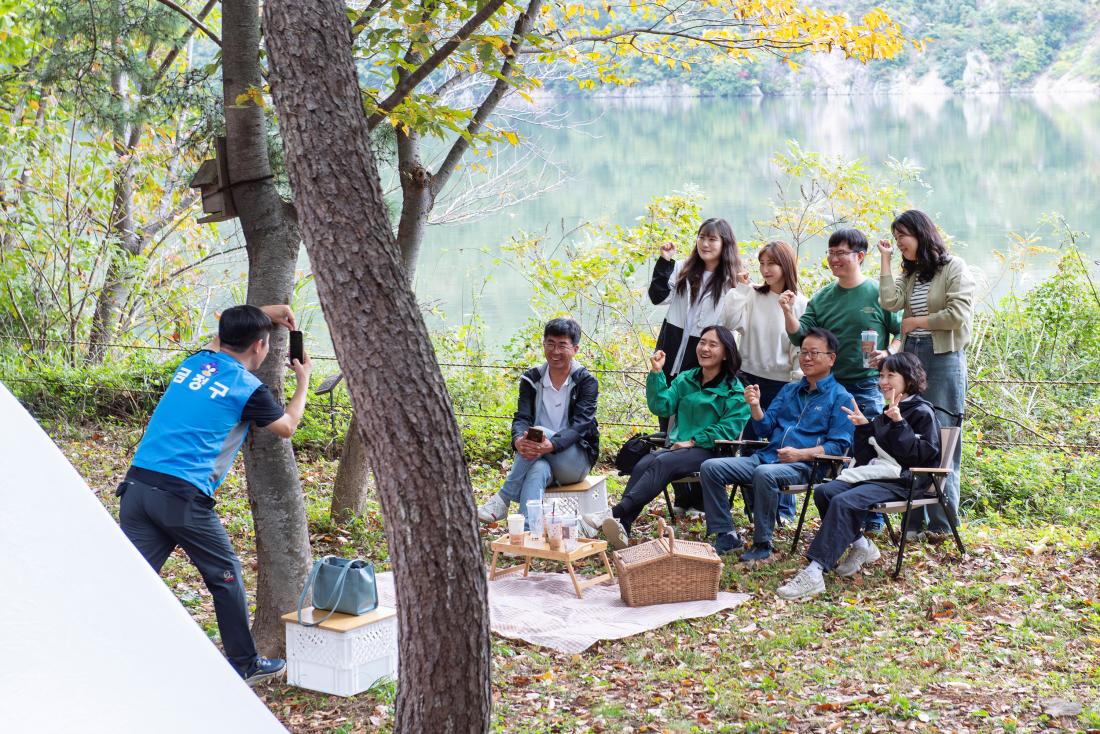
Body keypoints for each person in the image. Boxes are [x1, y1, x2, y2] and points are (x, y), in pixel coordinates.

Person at [116, 304, 312, 685]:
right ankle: (245, 662)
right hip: (181, 498)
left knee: (132, 576)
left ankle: (108, 646)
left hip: (137, 488)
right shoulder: (248, 388)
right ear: (259, 346)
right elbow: (287, 426)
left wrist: (269, 313)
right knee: (225, 576)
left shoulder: (197, 363)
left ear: (222, 340)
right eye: (267, 344)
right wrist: (302, 380)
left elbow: (223, 321)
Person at [776, 352, 942, 599]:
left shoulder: (921, 412)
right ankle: (862, 544)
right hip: (879, 476)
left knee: (844, 501)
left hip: (907, 480)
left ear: (909, 379)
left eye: (890, 375)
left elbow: (920, 457)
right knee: (825, 492)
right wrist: (864, 428)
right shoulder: (886, 413)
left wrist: (899, 424)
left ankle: (815, 570)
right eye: (881, 375)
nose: (883, 381)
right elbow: (865, 458)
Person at [582, 325, 749, 549]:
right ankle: (623, 524)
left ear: (726, 352)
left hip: (711, 450)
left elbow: (728, 429)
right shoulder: (687, 378)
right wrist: (656, 373)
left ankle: (614, 513)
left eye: (713, 344)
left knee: (662, 459)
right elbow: (661, 405)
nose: (704, 348)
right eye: (702, 342)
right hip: (679, 450)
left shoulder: (734, 389)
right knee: (646, 461)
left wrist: (693, 441)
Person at [781, 228, 901, 535]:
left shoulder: (877, 293)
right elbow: (799, 335)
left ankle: (873, 519)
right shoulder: (822, 298)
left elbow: (900, 332)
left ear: (859, 256)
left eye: (841, 254)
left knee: (872, 448)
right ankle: (841, 511)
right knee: (839, 448)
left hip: (868, 384)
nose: (835, 260)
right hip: (833, 387)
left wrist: (888, 352)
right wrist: (787, 311)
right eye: (831, 254)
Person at [699, 328, 854, 563]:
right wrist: (755, 406)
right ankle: (726, 534)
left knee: (764, 474)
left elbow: (838, 446)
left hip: (805, 467)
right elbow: (764, 428)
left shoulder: (841, 397)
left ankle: (763, 543)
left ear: (831, 358)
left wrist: (800, 454)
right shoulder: (790, 389)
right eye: (803, 352)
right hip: (766, 457)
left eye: (814, 353)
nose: (807, 358)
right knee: (710, 467)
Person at [878, 209, 975, 538]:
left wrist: (916, 322)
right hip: (911, 356)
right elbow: (890, 302)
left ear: (921, 233)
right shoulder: (911, 272)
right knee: (909, 430)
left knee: (944, 436)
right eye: (895, 237)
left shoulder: (953, 267)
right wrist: (886, 261)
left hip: (943, 357)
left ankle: (943, 523)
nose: (899, 242)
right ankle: (915, 521)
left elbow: (957, 315)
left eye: (902, 236)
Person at [649, 217, 743, 515]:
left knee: (699, 429)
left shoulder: (732, 284)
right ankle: (682, 497)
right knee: (668, 428)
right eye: (702, 237)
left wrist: (745, 290)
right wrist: (664, 263)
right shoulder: (683, 271)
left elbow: (735, 325)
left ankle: (702, 500)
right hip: (671, 350)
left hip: (702, 357)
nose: (705, 243)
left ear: (724, 244)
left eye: (713, 239)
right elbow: (656, 297)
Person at [477, 318, 599, 528]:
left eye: (562, 345)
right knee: (537, 469)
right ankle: (526, 535)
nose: (555, 351)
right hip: (537, 456)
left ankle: (504, 498)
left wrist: (551, 444)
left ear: (575, 348)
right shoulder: (531, 379)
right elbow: (522, 418)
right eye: (550, 343)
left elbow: (581, 425)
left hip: (574, 461)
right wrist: (518, 441)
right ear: (543, 344)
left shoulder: (585, 381)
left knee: (539, 432)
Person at [720, 240, 807, 522]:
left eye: (772, 263)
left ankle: (783, 510)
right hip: (749, 378)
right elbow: (728, 323)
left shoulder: (800, 302)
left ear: (786, 265)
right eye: (762, 264)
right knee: (750, 444)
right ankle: (754, 507)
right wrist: (741, 288)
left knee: (782, 444)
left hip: (785, 382)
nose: (766, 270)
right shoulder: (754, 296)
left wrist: (797, 383)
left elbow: (800, 347)